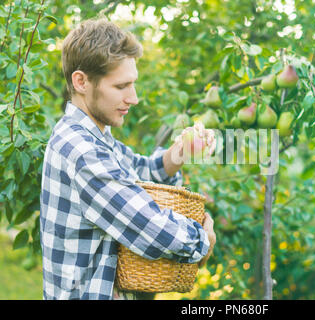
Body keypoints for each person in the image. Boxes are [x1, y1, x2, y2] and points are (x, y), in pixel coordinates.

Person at [40, 18, 216, 300]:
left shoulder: (95, 139)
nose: (133, 98)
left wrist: (179, 152)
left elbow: (141, 171)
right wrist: (202, 239)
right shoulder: (82, 151)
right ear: (81, 81)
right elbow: (152, 228)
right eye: (121, 86)